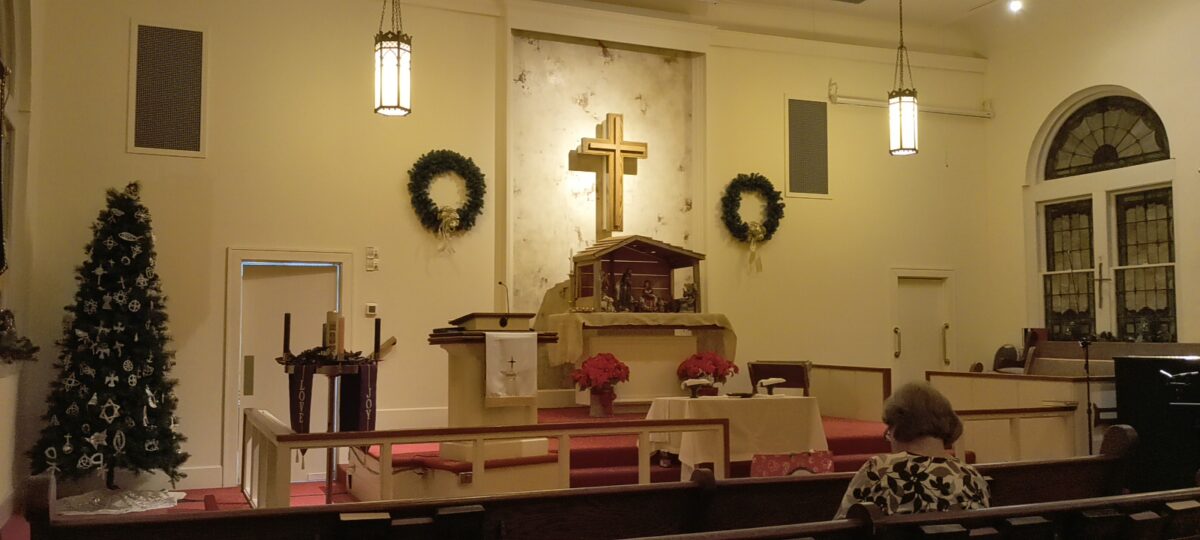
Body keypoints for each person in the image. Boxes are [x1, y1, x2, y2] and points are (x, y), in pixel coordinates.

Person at [834, 382, 990, 519]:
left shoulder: (879, 470)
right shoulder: (971, 476)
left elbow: (841, 528)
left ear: (899, 426)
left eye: (889, 430)